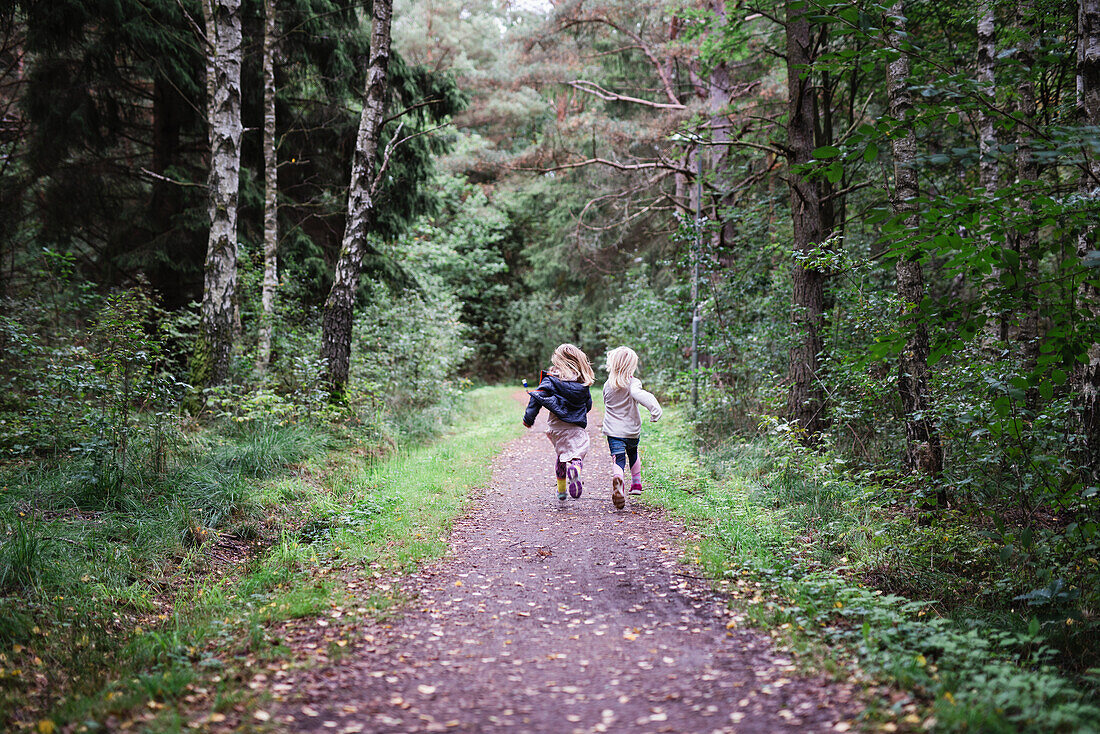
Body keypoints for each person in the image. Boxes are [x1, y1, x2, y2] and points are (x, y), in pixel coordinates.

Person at [522, 344, 595, 501]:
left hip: (556, 427)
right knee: (577, 454)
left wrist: (528, 419)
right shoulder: (582, 382)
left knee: (561, 454)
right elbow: (588, 405)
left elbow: (537, 397)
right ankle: (575, 468)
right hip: (575, 426)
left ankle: (561, 491)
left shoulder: (551, 380)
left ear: (558, 361)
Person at [601, 346, 662, 509]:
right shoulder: (633, 383)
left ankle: (618, 478)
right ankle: (636, 485)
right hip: (631, 431)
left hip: (614, 431)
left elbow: (606, 403)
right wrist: (655, 410)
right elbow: (640, 395)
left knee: (618, 458)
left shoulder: (608, 384)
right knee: (633, 453)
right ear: (631, 366)